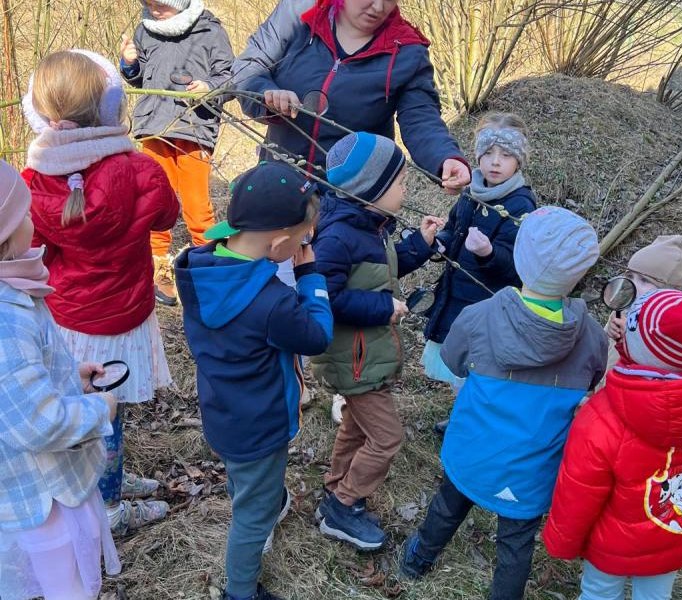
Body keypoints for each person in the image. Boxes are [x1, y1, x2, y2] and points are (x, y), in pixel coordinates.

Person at [399, 206, 608, 600]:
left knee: (447, 507)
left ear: (521, 259)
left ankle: (417, 560)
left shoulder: (479, 316)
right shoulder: (593, 337)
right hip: (532, 469)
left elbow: (453, 361)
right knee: (516, 546)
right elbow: (592, 380)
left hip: (473, 450)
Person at [21, 50, 179, 535]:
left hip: (69, 320)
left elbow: (31, 253)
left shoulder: (31, 183)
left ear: (38, 115)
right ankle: (109, 509)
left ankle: (107, 481)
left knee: (88, 412)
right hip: (125, 317)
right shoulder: (141, 170)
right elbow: (167, 215)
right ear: (111, 109)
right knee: (108, 415)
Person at [174, 161, 333, 600]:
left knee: (244, 477)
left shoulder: (201, 267)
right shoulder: (273, 303)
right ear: (279, 243)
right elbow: (317, 336)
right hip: (261, 425)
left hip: (223, 412)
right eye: (302, 238)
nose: (303, 245)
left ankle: (255, 494)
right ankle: (240, 591)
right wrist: (310, 277)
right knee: (252, 519)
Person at [543, 289, 682, 600]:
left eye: (632, 325)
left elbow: (579, 490)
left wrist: (561, 542)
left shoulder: (601, 417)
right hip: (671, 530)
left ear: (644, 346)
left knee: (599, 594)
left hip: (612, 543)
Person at [311, 132, 444, 550]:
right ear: (371, 191)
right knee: (386, 438)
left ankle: (335, 489)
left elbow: (383, 268)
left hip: (365, 358)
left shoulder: (370, 226)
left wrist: (420, 245)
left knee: (356, 426)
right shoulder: (337, 237)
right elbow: (327, 297)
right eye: (400, 183)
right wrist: (383, 307)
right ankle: (343, 505)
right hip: (354, 359)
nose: (406, 190)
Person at [0, 160, 121, 600]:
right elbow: (36, 421)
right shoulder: (5, 319)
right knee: (65, 586)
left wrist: (69, 377)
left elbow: (17, 385)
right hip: (41, 493)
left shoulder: (13, 291)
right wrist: (98, 409)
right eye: (24, 214)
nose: (33, 220)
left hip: (38, 482)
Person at [233, 0, 471, 189]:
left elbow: (421, 118)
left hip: (351, 198)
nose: (378, 7)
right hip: (279, 182)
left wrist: (444, 157)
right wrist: (266, 94)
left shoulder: (407, 51)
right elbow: (250, 65)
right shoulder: (300, 14)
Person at [422, 112, 537, 435]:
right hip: (456, 295)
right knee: (458, 362)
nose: (495, 162)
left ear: (519, 160)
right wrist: (441, 244)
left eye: (506, 155)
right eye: (488, 153)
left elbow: (518, 265)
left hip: (488, 303)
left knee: (480, 366)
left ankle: (474, 422)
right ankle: (463, 414)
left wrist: (488, 253)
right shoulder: (471, 192)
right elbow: (454, 228)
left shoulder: (521, 205)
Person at [120, 0, 234, 306]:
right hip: (154, 127)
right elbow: (138, 77)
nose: (153, 9)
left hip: (194, 128)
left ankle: (207, 267)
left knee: (197, 205)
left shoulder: (209, 29)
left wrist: (208, 87)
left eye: (159, 4)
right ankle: (158, 266)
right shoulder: (144, 30)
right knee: (155, 201)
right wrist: (129, 64)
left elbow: (229, 76)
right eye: (148, 3)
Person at [605, 235, 682, 374]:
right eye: (631, 276)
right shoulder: (625, 308)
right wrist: (610, 332)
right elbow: (603, 352)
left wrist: (631, 338)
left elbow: (657, 371)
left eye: (644, 280)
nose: (633, 284)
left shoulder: (678, 329)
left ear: (668, 290)